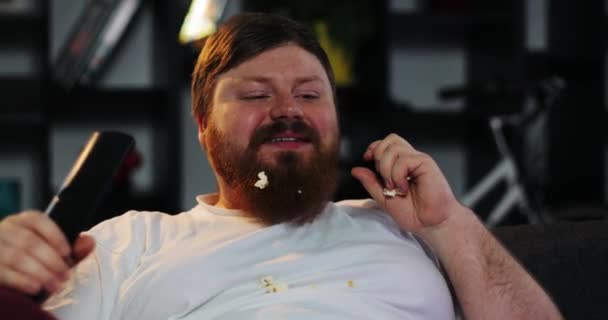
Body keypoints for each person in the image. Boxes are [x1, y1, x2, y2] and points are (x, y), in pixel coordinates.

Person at [0, 13, 561, 320]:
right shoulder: (127, 244)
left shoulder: (404, 231)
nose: (287, 110)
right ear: (202, 126)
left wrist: (448, 223)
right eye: (254, 95)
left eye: (310, 95)